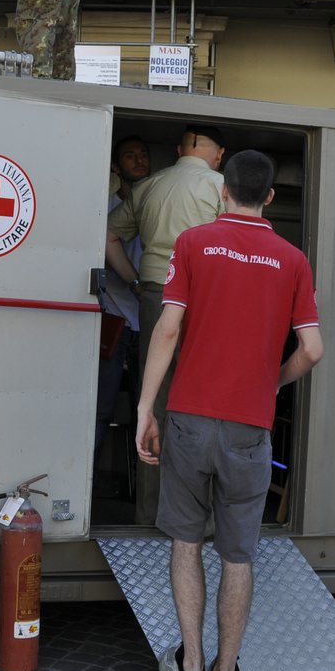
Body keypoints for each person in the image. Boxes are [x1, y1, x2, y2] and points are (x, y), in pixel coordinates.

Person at [135, 149, 324, 671]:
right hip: (249, 428)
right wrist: (270, 384)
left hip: (190, 420)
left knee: (185, 543)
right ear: (270, 198)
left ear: (223, 192)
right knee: (238, 555)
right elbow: (312, 350)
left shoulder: (192, 245)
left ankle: (190, 668)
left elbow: (168, 330)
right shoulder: (292, 260)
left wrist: (147, 407)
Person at [104, 125, 225, 524]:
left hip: (156, 296)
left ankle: (149, 515)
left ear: (178, 150)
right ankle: (194, 516)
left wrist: (135, 282)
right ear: (218, 154)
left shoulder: (149, 187)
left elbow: (109, 236)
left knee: (153, 405)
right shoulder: (221, 187)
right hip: (207, 303)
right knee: (204, 405)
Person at [96, 136, 152, 477]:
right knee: (101, 409)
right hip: (114, 321)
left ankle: (145, 503)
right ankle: (86, 493)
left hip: (150, 322)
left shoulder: (158, 206)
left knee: (148, 412)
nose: (139, 159)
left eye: (143, 153)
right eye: (129, 155)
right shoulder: (103, 208)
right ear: (116, 166)